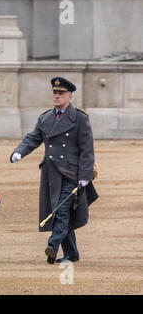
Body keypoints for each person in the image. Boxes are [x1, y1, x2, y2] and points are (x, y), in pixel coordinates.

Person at [10, 77, 98, 264]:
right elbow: (33, 138)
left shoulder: (80, 118)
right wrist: (19, 152)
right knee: (59, 210)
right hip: (51, 173)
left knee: (61, 210)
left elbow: (87, 149)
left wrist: (85, 175)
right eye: (55, 93)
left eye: (61, 93)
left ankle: (53, 244)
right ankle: (72, 254)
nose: (56, 96)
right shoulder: (45, 117)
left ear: (69, 96)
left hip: (71, 174)